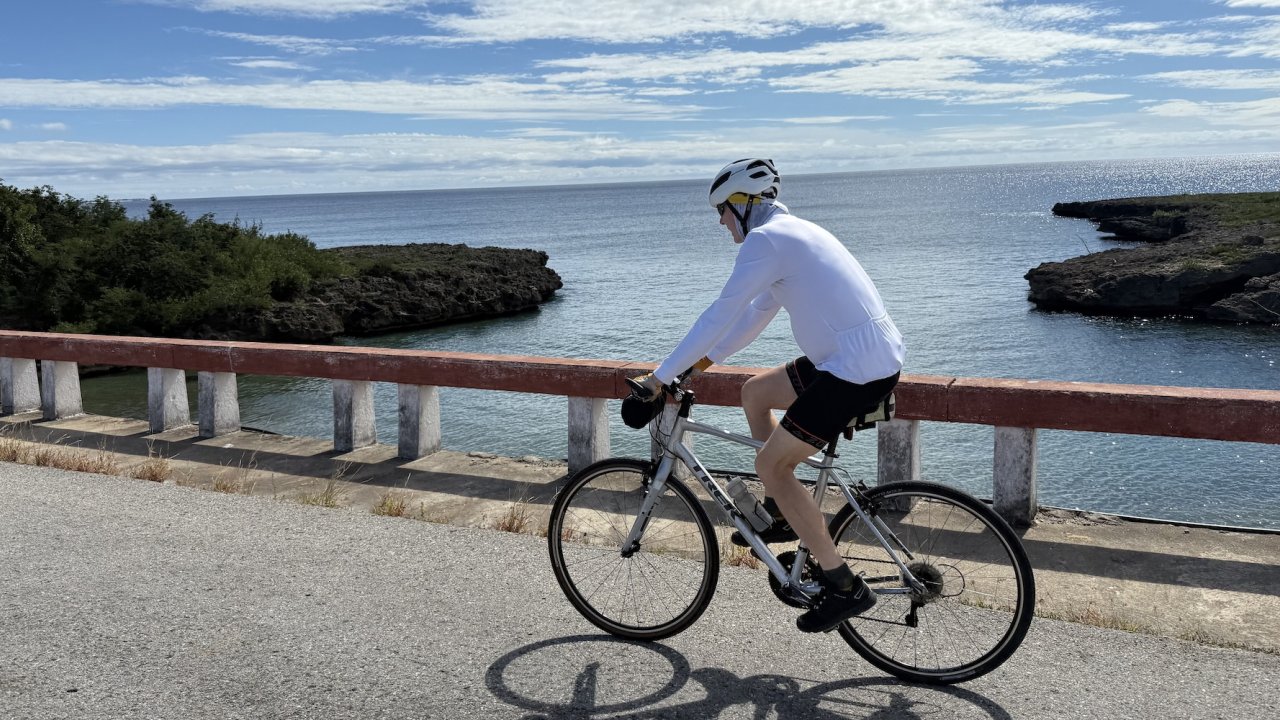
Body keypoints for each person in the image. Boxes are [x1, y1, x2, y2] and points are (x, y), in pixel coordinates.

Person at [631, 158, 905, 633]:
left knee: (770, 466)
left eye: (721, 210)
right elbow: (754, 316)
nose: (719, 222)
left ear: (743, 204)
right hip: (852, 356)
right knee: (755, 393)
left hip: (853, 370)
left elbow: (718, 315)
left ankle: (843, 586)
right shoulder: (793, 234)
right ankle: (782, 512)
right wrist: (693, 368)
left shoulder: (767, 240)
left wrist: (657, 379)